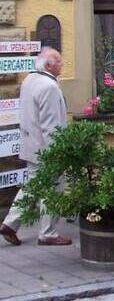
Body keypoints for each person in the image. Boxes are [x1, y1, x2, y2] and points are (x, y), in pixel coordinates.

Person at [1, 47, 72, 246]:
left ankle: (10, 224)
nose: (62, 65)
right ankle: (48, 233)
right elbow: (51, 125)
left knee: (32, 186)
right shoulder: (49, 87)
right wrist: (57, 152)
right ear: (49, 65)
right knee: (54, 187)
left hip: (31, 145)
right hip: (46, 148)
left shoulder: (29, 80)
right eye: (59, 62)